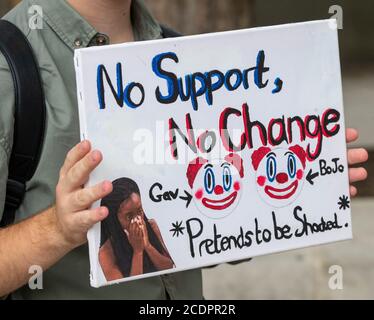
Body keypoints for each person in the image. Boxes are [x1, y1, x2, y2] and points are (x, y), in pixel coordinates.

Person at [0, 0, 368, 299]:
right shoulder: (10, 66)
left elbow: (206, 232)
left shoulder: (178, 55)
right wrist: (57, 230)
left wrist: (301, 192)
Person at [99, 178, 174, 281]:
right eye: (129, 216)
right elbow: (130, 291)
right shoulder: (106, 252)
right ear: (115, 220)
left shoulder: (151, 226)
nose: (137, 219)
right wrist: (138, 251)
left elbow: (169, 267)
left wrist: (147, 246)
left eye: (139, 210)